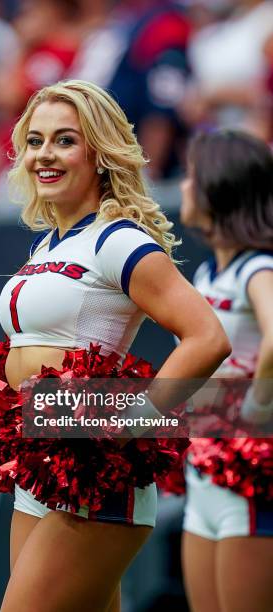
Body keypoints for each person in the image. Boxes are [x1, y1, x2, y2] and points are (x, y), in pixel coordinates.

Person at [0, 80, 230, 612]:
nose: (44, 154)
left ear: (99, 153)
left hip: (91, 471)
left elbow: (207, 337)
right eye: (34, 141)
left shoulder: (117, 239)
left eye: (64, 140)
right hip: (40, 460)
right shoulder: (48, 242)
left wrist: (131, 420)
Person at [179, 129, 273, 612]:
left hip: (250, 482)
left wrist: (256, 412)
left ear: (220, 185)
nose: (184, 186)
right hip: (203, 476)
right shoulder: (206, 276)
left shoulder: (257, 269)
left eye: (192, 176)